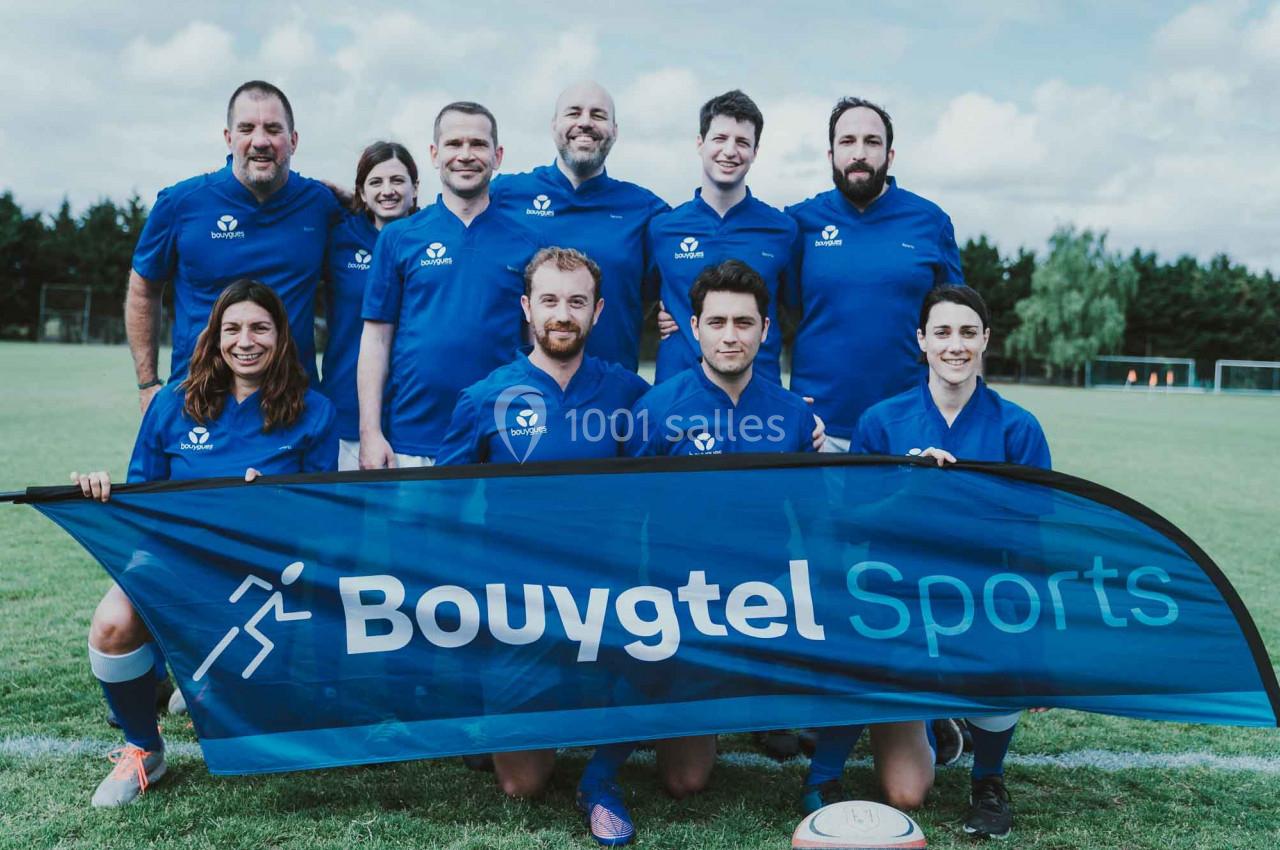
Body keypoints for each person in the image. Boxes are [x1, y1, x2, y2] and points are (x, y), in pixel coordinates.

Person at [72, 279, 338, 807]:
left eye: (260, 328)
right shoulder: (173, 403)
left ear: (281, 336)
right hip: (176, 560)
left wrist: (278, 502)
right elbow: (144, 499)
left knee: (254, 708)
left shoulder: (314, 410)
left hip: (262, 572)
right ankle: (144, 749)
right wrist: (101, 488)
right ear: (214, 337)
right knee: (111, 624)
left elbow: (321, 520)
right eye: (232, 328)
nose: (246, 340)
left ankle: (197, 681)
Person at [801, 285, 1050, 840]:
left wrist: (1032, 648)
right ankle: (825, 773)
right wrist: (908, 489)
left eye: (967, 332)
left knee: (1005, 659)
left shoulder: (1018, 428)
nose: (954, 345)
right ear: (921, 340)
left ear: (985, 339)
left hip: (974, 600)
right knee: (905, 791)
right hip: (895, 600)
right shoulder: (883, 422)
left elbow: (1029, 543)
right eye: (942, 332)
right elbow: (852, 524)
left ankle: (988, 780)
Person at [438, 247, 652, 845]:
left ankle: (601, 779)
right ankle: (498, 712)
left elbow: (682, 469)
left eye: (577, 302)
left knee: (665, 655)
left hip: (606, 598)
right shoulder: (484, 397)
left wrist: (802, 431)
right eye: (551, 301)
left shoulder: (630, 395)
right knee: (521, 784)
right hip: (521, 604)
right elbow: (442, 507)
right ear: (528, 308)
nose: (563, 314)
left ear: (598, 310)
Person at [126, 80, 341, 410]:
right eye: (246, 129)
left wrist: (357, 199)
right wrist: (147, 383)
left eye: (273, 129)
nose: (260, 141)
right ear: (229, 138)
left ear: (293, 140)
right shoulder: (181, 204)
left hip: (292, 403)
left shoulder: (321, 205)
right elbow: (143, 287)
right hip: (199, 401)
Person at [358, 102, 538, 469]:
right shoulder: (398, 238)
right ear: (435, 154)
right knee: (410, 529)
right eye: (454, 144)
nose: (466, 155)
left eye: (478, 144)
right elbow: (376, 341)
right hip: (411, 437)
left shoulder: (528, 243)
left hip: (500, 437)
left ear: (497, 155)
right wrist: (370, 433)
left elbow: (537, 343)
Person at [786, 97, 963, 452]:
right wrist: (678, 306)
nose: (859, 153)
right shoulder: (798, 222)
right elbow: (771, 309)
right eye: (847, 141)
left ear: (890, 155)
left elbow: (957, 325)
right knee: (821, 512)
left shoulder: (930, 222)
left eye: (872, 141)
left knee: (902, 511)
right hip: (818, 425)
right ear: (831, 154)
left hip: (906, 426)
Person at [490, 81, 669, 371]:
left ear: (615, 130)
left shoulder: (645, 210)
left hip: (613, 397)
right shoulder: (505, 196)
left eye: (598, 115)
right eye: (574, 113)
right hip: (521, 397)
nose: (585, 123)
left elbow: (677, 284)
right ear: (554, 125)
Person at [650, 90, 797, 385]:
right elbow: (636, 299)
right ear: (700, 143)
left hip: (759, 396)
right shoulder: (662, 228)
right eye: (720, 139)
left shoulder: (783, 230)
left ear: (755, 152)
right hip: (677, 394)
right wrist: (661, 312)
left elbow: (797, 309)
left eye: (742, 142)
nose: (730, 151)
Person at [321, 141, 419, 470]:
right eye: (376, 182)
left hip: (415, 412)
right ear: (361, 193)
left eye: (397, 181)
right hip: (347, 409)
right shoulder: (338, 239)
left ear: (415, 189)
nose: (388, 191)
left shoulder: (433, 238)